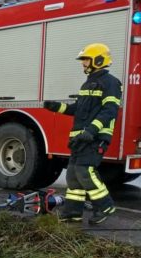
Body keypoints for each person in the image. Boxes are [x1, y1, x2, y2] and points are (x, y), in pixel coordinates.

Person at [44, 43, 123, 224]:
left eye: (86, 59)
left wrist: (91, 130)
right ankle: (73, 212)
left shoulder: (111, 82)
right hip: (81, 138)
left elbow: (110, 110)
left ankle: (105, 206)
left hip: (95, 138)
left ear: (98, 60)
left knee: (85, 171)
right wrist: (57, 107)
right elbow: (78, 109)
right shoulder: (88, 83)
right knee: (72, 173)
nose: (83, 63)